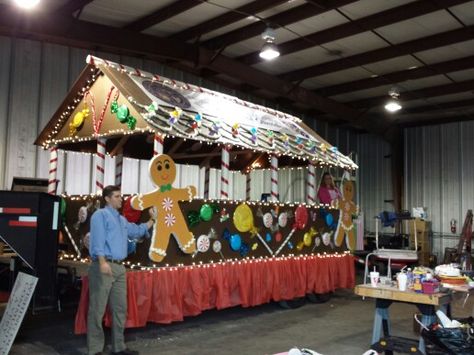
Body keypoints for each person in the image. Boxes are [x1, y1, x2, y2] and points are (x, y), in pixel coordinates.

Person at [87, 185, 154, 355]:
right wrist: (102, 262)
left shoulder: (122, 220)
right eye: (116, 196)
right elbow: (97, 241)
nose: (120, 199)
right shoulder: (100, 216)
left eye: (120, 196)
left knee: (120, 309)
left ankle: (119, 347)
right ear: (107, 199)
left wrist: (152, 220)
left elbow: (137, 230)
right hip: (104, 266)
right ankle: (95, 350)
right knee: (97, 310)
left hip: (119, 268)